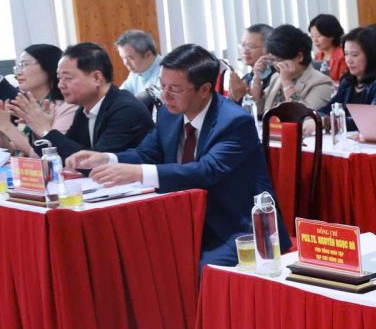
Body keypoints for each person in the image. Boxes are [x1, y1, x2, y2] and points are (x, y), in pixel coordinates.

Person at [66, 45, 275, 268]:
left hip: (235, 226)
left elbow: (206, 171)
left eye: (174, 89)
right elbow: (146, 153)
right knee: (123, 255)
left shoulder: (234, 121)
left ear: (204, 89)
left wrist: (137, 173)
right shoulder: (169, 114)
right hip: (180, 218)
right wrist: (107, 159)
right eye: (162, 86)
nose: (165, 95)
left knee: (192, 271)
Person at [25, 43, 153, 158]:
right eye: (59, 78)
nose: (60, 85)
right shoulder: (85, 108)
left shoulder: (125, 110)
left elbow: (94, 162)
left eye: (67, 78)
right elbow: (64, 153)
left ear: (96, 78)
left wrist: (46, 130)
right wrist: (40, 129)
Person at [1, 44, 77, 155]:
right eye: (19, 66)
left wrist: (7, 126)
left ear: (49, 66)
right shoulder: (32, 105)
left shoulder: (66, 106)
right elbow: (15, 152)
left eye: (25, 64)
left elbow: (50, 155)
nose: (18, 72)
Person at [256, 25, 335, 117]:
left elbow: (304, 116)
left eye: (279, 60)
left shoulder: (321, 83)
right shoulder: (276, 77)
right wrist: (257, 78)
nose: (275, 65)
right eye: (273, 60)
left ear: (299, 57)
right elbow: (259, 112)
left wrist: (287, 83)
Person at [330, 26, 376, 108]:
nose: (349, 60)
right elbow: (329, 108)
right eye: (346, 54)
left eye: (354, 55)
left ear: (371, 56)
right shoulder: (347, 82)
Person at [228, 23, 273, 103]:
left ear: (268, 49)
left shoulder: (276, 78)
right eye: (243, 45)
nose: (245, 51)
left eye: (251, 46)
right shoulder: (246, 79)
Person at [115, 30, 162, 99]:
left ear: (148, 55)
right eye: (123, 58)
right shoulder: (136, 72)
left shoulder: (166, 72)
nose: (126, 63)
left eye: (130, 58)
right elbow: (120, 95)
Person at [307, 13, 346, 82]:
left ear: (331, 35)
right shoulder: (317, 56)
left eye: (318, 36)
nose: (315, 40)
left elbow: (343, 82)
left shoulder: (343, 55)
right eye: (312, 36)